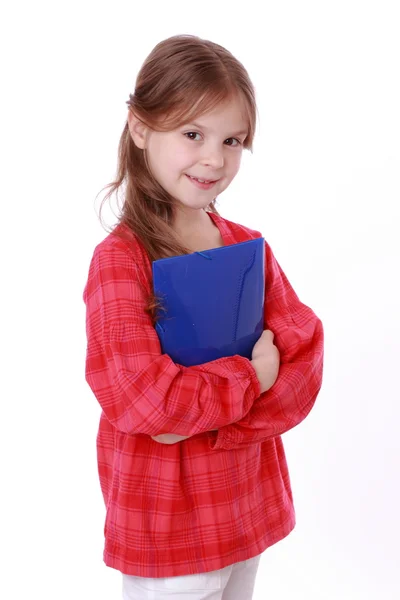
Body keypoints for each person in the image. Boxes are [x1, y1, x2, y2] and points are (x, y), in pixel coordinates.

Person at [83, 34, 324, 600]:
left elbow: (305, 357)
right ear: (141, 129)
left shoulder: (248, 248)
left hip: (244, 508)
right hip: (168, 527)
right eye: (193, 134)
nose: (215, 159)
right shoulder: (121, 262)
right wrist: (251, 378)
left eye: (233, 140)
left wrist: (199, 419)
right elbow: (144, 402)